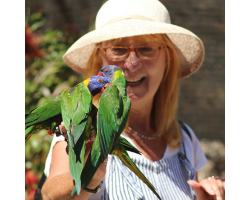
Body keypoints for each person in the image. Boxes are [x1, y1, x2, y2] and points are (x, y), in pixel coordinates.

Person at [41, 0, 225, 199]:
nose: (131, 64)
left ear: (168, 60)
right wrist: (88, 176)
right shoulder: (81, 128)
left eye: (146, 49)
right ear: (99, 60)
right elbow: (50, 194)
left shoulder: (185, 140)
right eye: (118, 50)